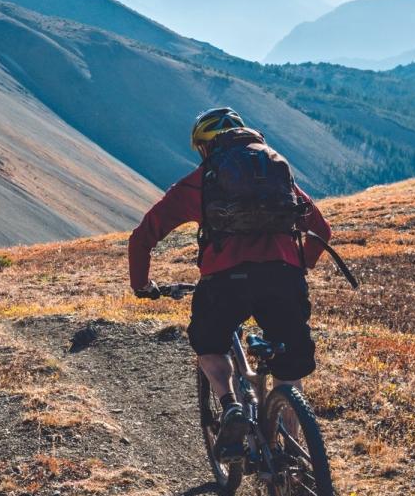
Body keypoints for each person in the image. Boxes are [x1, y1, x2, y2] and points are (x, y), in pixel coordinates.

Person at [129, 107, 331, 457]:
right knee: (289, 364)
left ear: (205, 147)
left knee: (209, 346)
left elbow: (143, 237)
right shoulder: (277, 171)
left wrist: (142, 284)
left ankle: (231, 405)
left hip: (226, 281)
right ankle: (294, 451)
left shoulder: (201, 181)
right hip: (283, 279)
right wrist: (297, 268)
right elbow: (321, 231)